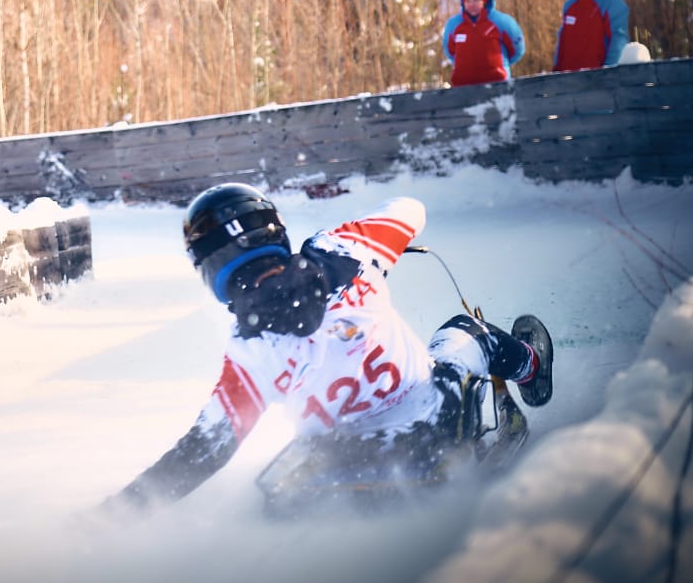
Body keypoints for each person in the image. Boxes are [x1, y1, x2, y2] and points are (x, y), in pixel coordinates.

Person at [99, 183, 552, 514]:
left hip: (354, 462)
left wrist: (115, 515)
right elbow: (409, 208)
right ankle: (531, 366)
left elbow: (201, 454)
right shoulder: (345, 249)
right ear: (273, 231)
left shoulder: (248, 353)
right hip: (436, 427)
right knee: (465, 329)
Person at [441, 0, 525, 86]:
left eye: (476, 0)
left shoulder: (502, 21)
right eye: (468, 1)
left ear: (484, 1)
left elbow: (517, 49)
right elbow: (450, 51)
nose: (471, 5)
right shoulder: (454, 24)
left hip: (497, 85)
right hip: (462, 87)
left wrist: (500, 65)